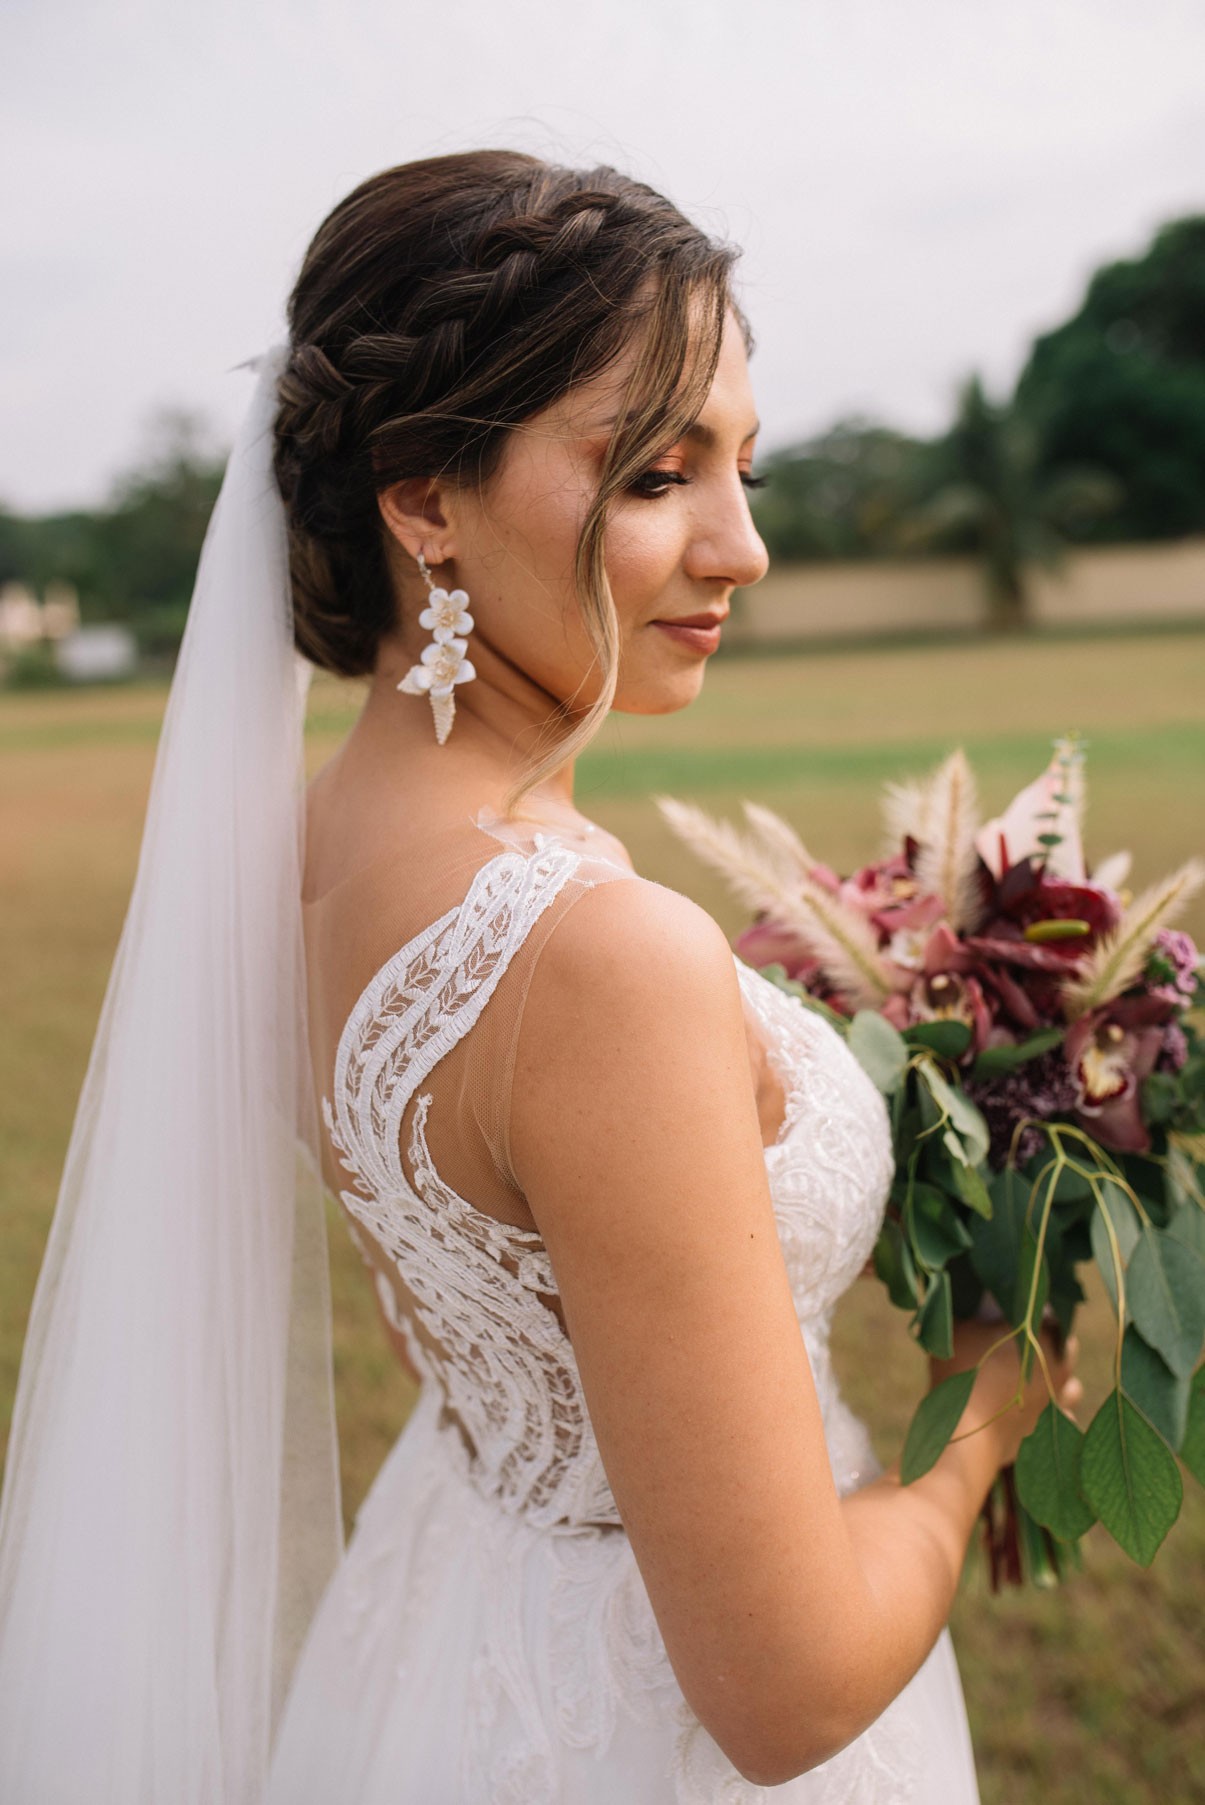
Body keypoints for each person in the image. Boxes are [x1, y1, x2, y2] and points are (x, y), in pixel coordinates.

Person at [0, 150, 1079, 1804]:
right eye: (655, 474)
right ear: (421, 496)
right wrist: (987, 1406)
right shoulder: (599, 959)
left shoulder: (294, 860)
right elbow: (781, 1694)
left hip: (451, 1620)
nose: (743, 547)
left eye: (745, 469)